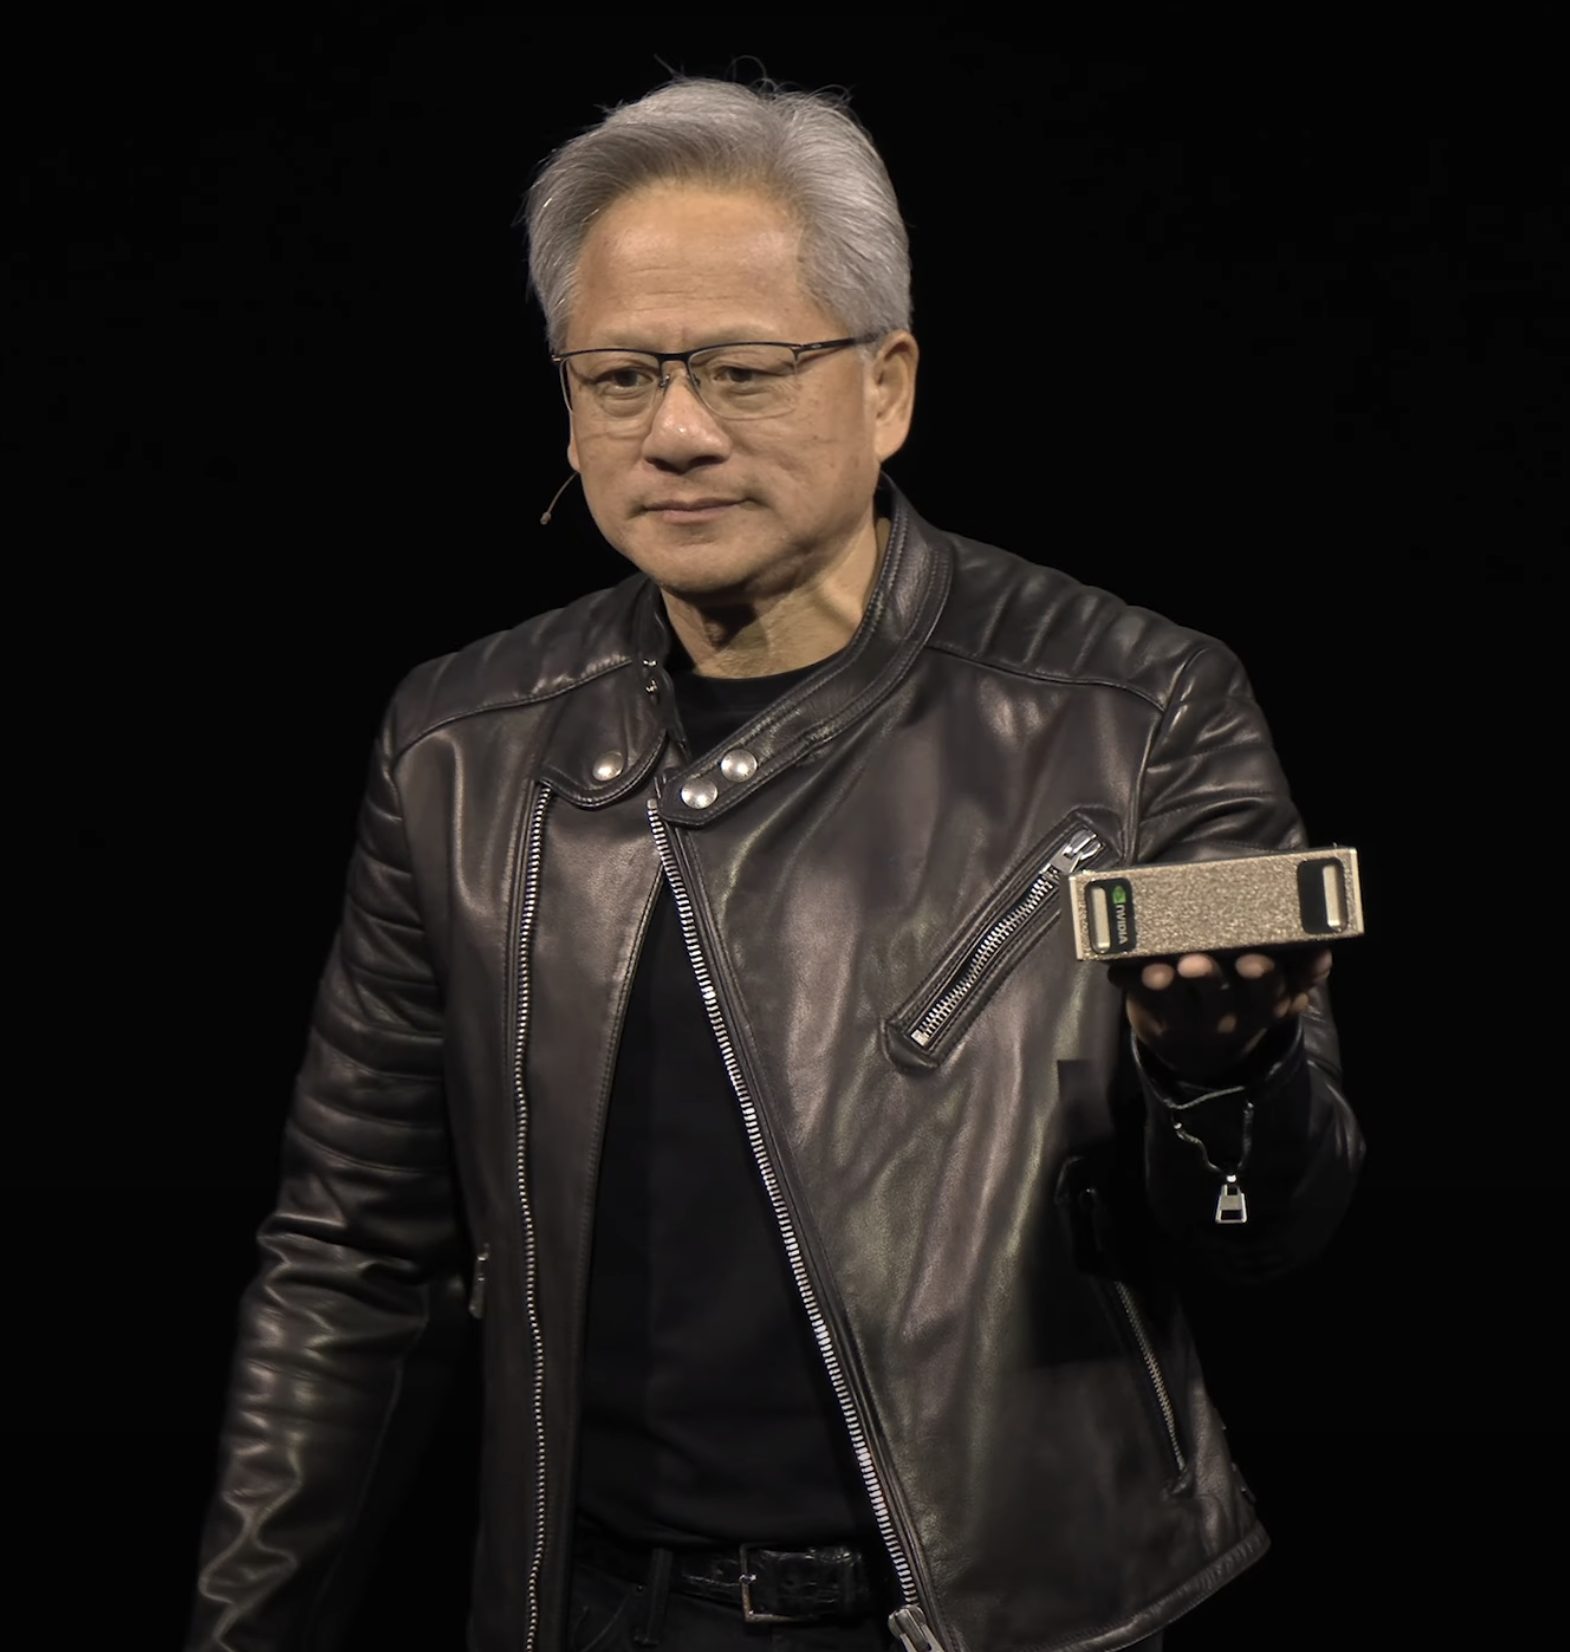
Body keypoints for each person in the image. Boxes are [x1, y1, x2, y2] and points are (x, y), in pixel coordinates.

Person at [187, 77, 1363, 1652]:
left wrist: (1222, 1075)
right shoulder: (461, 744)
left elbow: (1263, 1234)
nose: (675, 433)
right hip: (591, 1612)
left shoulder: (1134, 708)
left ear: (886, 387)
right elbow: (353, 1258)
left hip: (997, 1619)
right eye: (619, 377)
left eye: (742, 371)